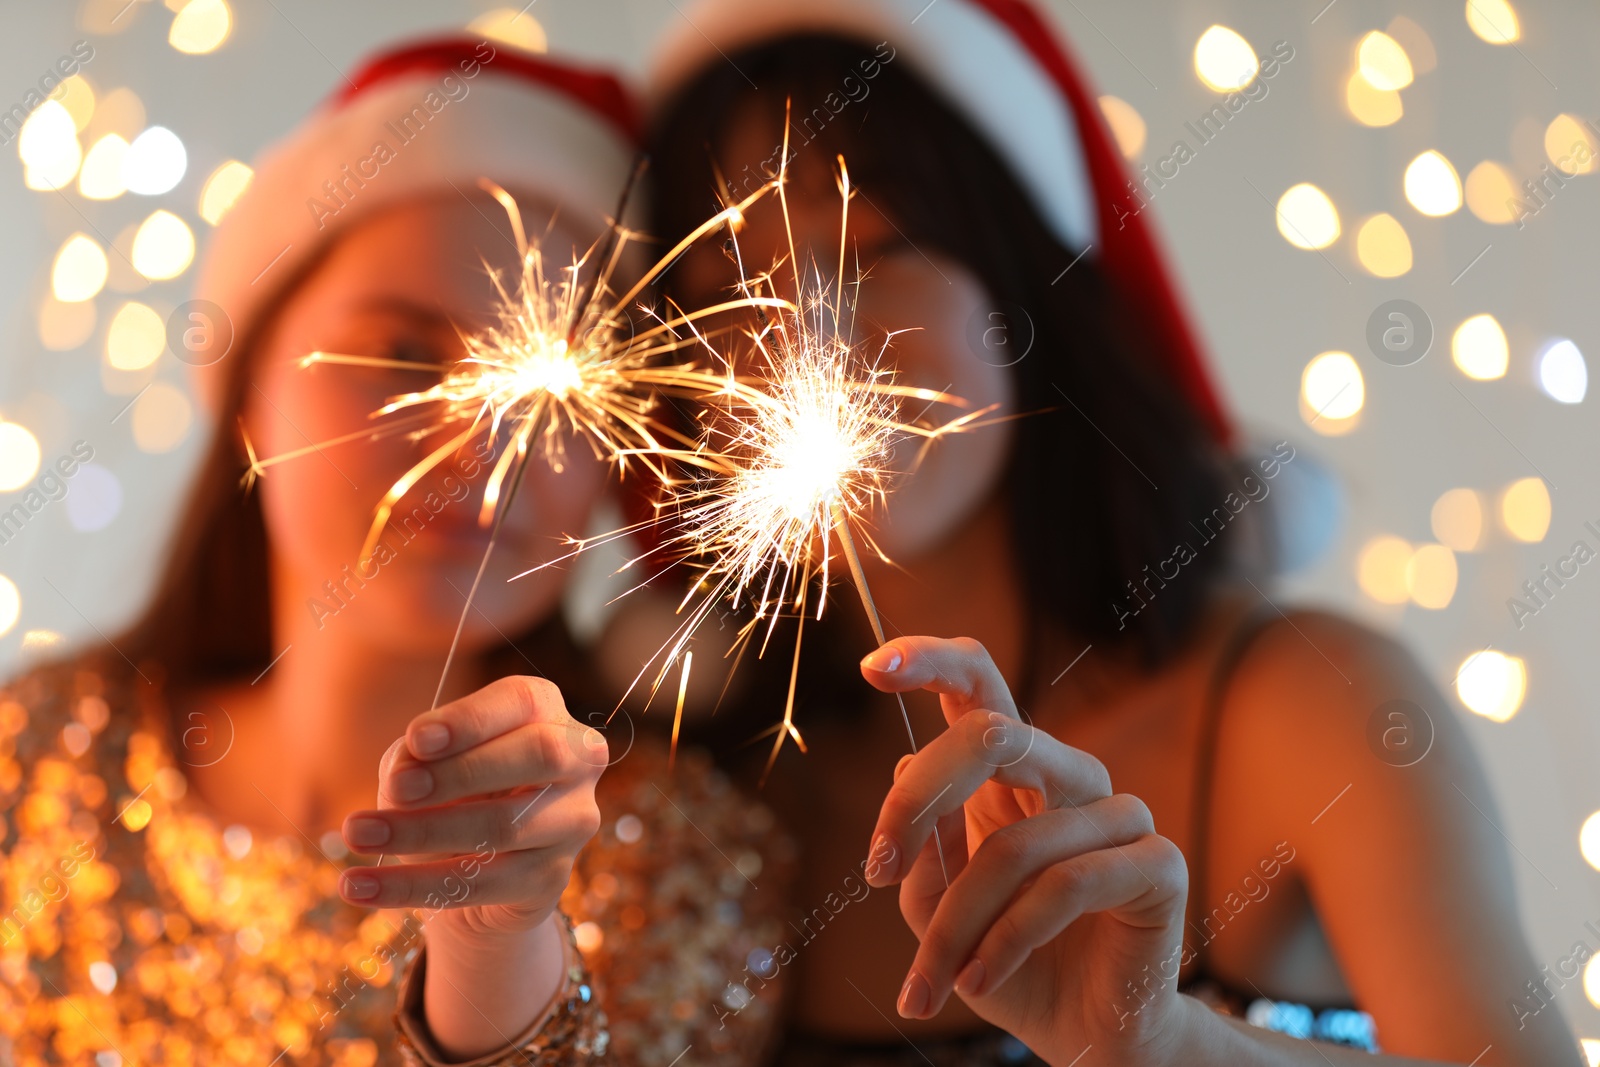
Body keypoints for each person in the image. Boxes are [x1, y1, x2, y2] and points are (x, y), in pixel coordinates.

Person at [636, 1, 1587, 1063]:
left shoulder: (1307, 704)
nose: (799, 335)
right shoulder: (711, 815)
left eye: (876, 246)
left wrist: (1170, 1043)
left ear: (1025, 284)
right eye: (728, 286)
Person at [0, 39, 791, 1066]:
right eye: (405, 355)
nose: (480, 444)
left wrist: (496, 968)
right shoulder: (36, 761)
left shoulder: (685, 866)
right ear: (252, 393)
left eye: (551, 391)